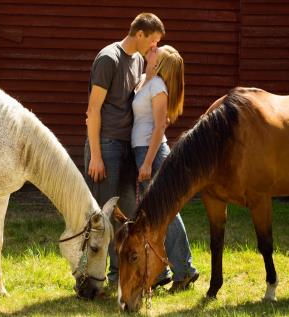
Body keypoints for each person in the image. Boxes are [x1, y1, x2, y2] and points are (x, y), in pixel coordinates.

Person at [84, 13, 165, 285]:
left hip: (127, 146)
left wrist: (151, 69)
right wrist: (95, 155)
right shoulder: (109, 59)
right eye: (153, 41)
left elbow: (139, 95)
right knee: (103, 217)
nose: (155, 47)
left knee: (128, 215)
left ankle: (121, 276)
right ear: (139, 34)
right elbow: (93, 110)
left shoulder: (139, 60)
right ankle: (92, 277)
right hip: (106, 145)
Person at [132, 45, 199, 292]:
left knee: (167, 214)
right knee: (152, 216)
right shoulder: (144, 81)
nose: (152, 48)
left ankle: (185, 269)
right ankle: (163, 272)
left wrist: (148, 162)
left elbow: (160, 127)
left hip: (153, 154)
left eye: (156, 51)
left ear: (159, 63)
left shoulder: (158, 87)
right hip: (141, 151)